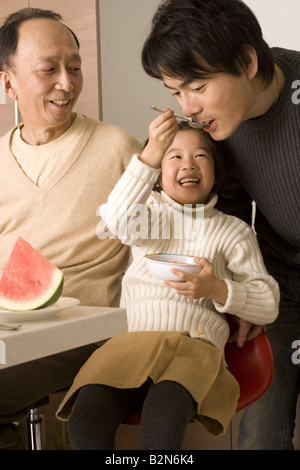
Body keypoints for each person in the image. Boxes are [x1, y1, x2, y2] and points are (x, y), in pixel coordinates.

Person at [56, 111, 279, 450]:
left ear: (217, 174)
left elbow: (268, 302)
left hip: (194, 345)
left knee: (163, 427)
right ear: (157, 176)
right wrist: (148, 155)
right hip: (129, 342)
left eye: (200, 156)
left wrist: (217, 288)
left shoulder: (233, 232)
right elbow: (115, 219)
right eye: (174, 156)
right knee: (85, 422)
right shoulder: (147, 217)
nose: (188, 164)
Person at [140, 0, 300, 450]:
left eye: (198, 86)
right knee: (259, 437)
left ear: (248, 62)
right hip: (281, 278)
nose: (189, 107)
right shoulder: (217, 127)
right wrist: (238, 291)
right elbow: (229, 205)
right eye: (175, 92)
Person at [0, 8, 142, 449]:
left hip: (87, 334)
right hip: (10, 332)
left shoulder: (119, 149)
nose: (67, 82)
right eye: (49, 69)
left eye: (75, 68)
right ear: (7, 84)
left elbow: (171, 237)